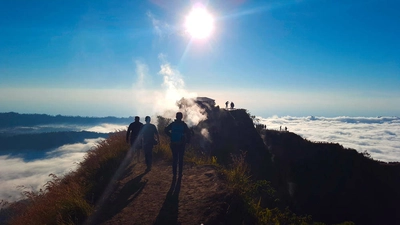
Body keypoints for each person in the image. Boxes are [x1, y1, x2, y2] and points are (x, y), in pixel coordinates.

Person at [164, 112, 191, 177]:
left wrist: (171, 135)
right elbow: (188, 133)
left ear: (176, 117)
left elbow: (165, 130)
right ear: (181, 117)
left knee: (175, 159)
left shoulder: (173, 124)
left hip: (173, 143)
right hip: (181, 144)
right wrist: (187, 141)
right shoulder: (183, 124)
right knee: (180, 159)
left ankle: (174, 173)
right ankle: (180, 173)